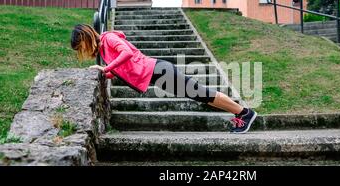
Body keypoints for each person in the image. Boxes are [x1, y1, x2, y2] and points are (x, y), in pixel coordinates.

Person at [70, 24, 256, 134]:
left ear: (86, 37)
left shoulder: (108, 38)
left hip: (160, 70)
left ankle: (245, 113)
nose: (82, 50)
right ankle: (241, 114)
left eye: (81, 46)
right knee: (201, 96)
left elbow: (127, 53)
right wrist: (107, 72)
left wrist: (106, 67)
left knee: (202, 93)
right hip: (158, 75)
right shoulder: (104, 50)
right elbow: (123, 69)